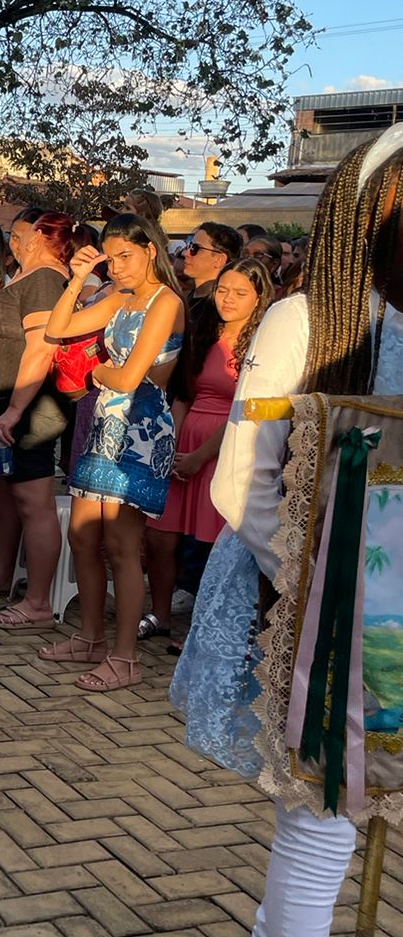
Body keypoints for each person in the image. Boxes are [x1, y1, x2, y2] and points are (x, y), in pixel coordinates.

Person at [171, 129, 403, 937]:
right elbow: (243, 486)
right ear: (369, 212)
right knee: (326, 815)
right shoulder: (305, 321)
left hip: (383, 615)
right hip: (307, 604)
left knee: (340, 807)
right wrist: (326, 593)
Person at [39, 213, 184, 691]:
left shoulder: (166, 302)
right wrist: (78, 277)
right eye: (112, 257)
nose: (118, 266)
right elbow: (58, 329)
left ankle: (125, 658)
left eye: (126, 256)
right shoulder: (121, 296)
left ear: (150, 250)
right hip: (106, 426)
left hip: (141, 432)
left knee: (123, 546)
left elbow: (127, 378)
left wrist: (95, 372)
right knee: (82, 537)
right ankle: (90, 638)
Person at [143, 258, 274, 647]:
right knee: (160, 536)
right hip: (186, 440)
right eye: (223, 290)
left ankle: (208, 626)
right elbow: (184, 393)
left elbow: (245, 410)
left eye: (240, 293)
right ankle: (160, 615)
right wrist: (172, 443)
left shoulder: (263, 342)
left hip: (228, 446)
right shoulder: (203, 331)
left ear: (259, 297)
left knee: (216, 544)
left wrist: (201, 455)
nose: (227, 299)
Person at [0, 211, 74, 619]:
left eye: (19, 234)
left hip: (27, 407)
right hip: (1, 405)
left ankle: (38, 601)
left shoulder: (45, 281)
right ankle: (1, 573)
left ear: (39, 236)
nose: (13, 241)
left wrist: (15, 410)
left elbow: (41, 349)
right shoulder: (28, 276)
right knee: (6, 496)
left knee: (33, 500)